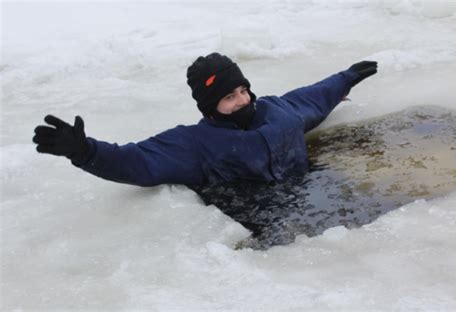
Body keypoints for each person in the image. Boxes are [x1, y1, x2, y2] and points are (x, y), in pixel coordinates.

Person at [32, 53, 377, 187]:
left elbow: (311, 99)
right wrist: (85, 151)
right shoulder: (194, 144)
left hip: (309, 189)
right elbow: (137, 161)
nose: (242, 100)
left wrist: (345, 79)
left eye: (243, 90)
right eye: (229, 97)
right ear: (210, 107)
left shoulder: (277, 111)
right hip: (261, 215)